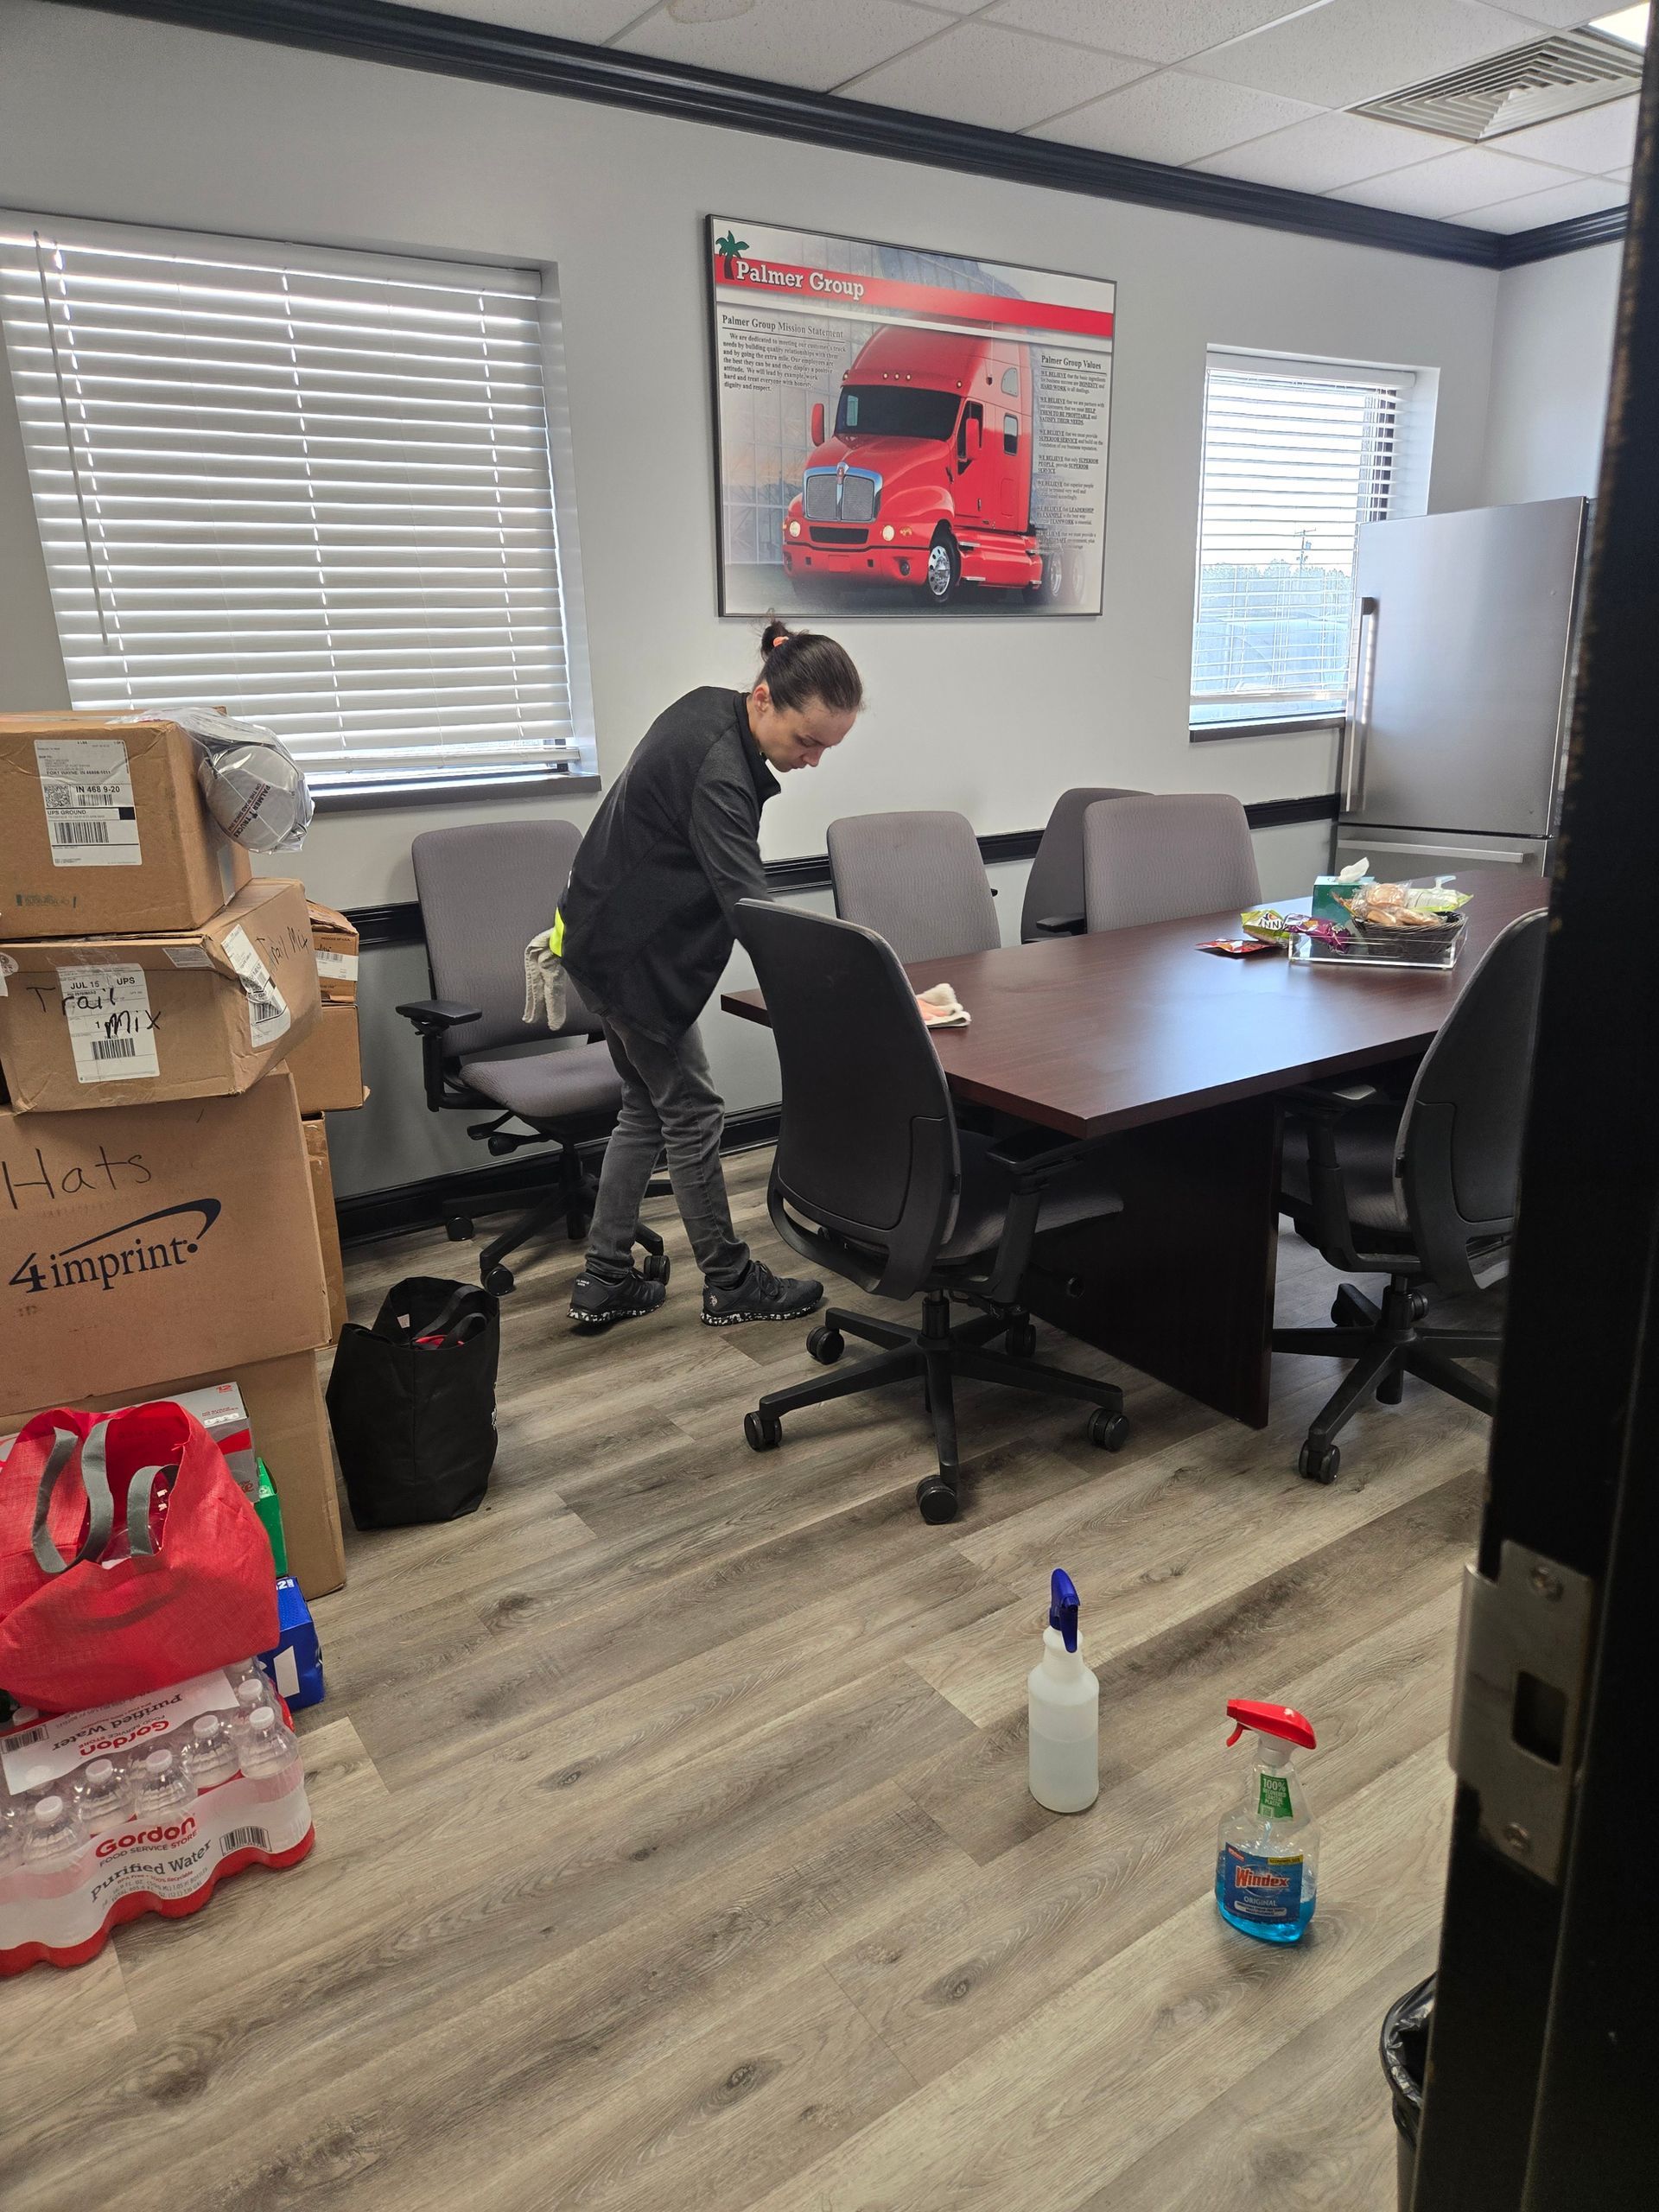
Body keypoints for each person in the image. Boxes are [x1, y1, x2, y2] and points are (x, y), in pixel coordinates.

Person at [556, 620, 863, 1328]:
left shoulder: (707, 707)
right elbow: (748, 905)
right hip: (632, 961)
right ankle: (728, 1282)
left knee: (647, 1106)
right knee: (693, 1112)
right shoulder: (721, 773)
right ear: (764, 700)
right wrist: (823, 994)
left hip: (599, 938)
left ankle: (604, 1277)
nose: (813, 760)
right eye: (808, 741)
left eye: (827, 747)